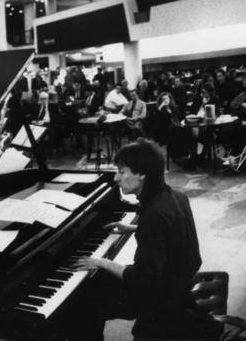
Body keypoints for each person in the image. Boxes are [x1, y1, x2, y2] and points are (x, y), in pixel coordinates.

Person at [76, 139, 204, 325]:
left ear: (142, 174)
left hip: (162, 298)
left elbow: (142, 280)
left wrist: (102, 262)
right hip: (179, 280)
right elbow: (170, 233)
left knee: (90, 282)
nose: (116, 178)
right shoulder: (176, 196)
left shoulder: (153, 214)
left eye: (122, 172)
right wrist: (134, 227)